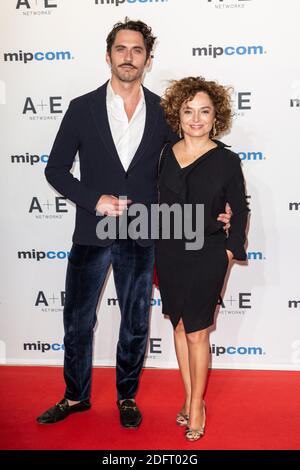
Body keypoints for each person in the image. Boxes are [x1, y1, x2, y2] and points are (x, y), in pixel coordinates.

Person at [36, 20, 231, 428]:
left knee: (136, 321)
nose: (129, 56)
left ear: (147, 58)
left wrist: (221, 209)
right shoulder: (81, 108)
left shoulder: (163, 112)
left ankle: (127, 396)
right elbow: (55, 170)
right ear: (108, 55)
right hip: (93, 229)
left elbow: (192, 161)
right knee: (77, 319)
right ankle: (75, 395)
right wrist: (94, 200)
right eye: (121, 49)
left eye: (137, 50)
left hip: (143, 232)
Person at [155, 76, 249, 441]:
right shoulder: (164, 153)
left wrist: (228, 251)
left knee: (197, 330)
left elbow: (239, 210)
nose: (196, 118)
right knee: (179, 327)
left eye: (204, 111)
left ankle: (196, 406)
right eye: (189, 110)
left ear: (216, 117)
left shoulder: (226, 159)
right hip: (168, 251)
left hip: (208, 251)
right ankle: (189, 396)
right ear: (177, 114)